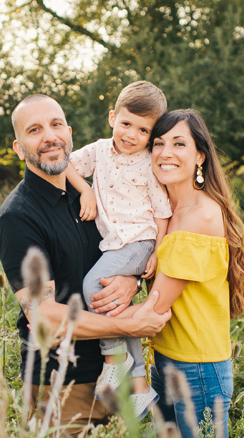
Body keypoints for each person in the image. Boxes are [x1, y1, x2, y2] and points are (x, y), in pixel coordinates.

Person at [0, 94, 172, 437]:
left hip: (114, 378)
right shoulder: (18, 217)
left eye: (56, 125)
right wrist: (133, 326)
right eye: (34, 130)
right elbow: (43, 314)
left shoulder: (91, 196)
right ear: (19, 148)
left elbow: (124, 250)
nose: (49, 137)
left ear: (70, 133)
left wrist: (133, 280)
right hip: (62, 383)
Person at [144, 109, 244, 438]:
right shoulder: (163, 209)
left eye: (179, 143)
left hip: (198, 367)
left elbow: (153, 310)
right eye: (158, 143)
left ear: (200, 156)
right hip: (164, 360)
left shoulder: (201, 216)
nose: (165, 153)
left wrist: (76, 322)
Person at [63, 81, 171, 417]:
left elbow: (161, 212)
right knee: (111, 298)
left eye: (143, 130)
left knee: (94, 287)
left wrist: (156, 251)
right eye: (126, 123)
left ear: (151, 136)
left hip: (138, 241)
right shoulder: (97, 151)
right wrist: (85, 190)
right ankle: (139, 385)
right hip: (114, 245)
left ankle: (114, 361)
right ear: (112, 117)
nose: (131, 134)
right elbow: (66, 163)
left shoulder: (148, 163)